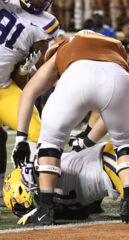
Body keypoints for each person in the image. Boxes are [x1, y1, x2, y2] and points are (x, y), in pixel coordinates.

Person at [11, 30, 129, 225]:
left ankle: (45, 208)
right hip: (117, 76)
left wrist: (21, 139)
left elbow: (29, 93)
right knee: (126, 142)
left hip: (76, 75)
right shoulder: (120, 51)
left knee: (50, 141)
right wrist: (87, 142)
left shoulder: (63, 47)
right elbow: (109, 113)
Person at [0, 0, 59, 202]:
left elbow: (21, 80)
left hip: (4, 89)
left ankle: (32, 188)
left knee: (36, 132)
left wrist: (25, 70)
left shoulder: (46, 23)